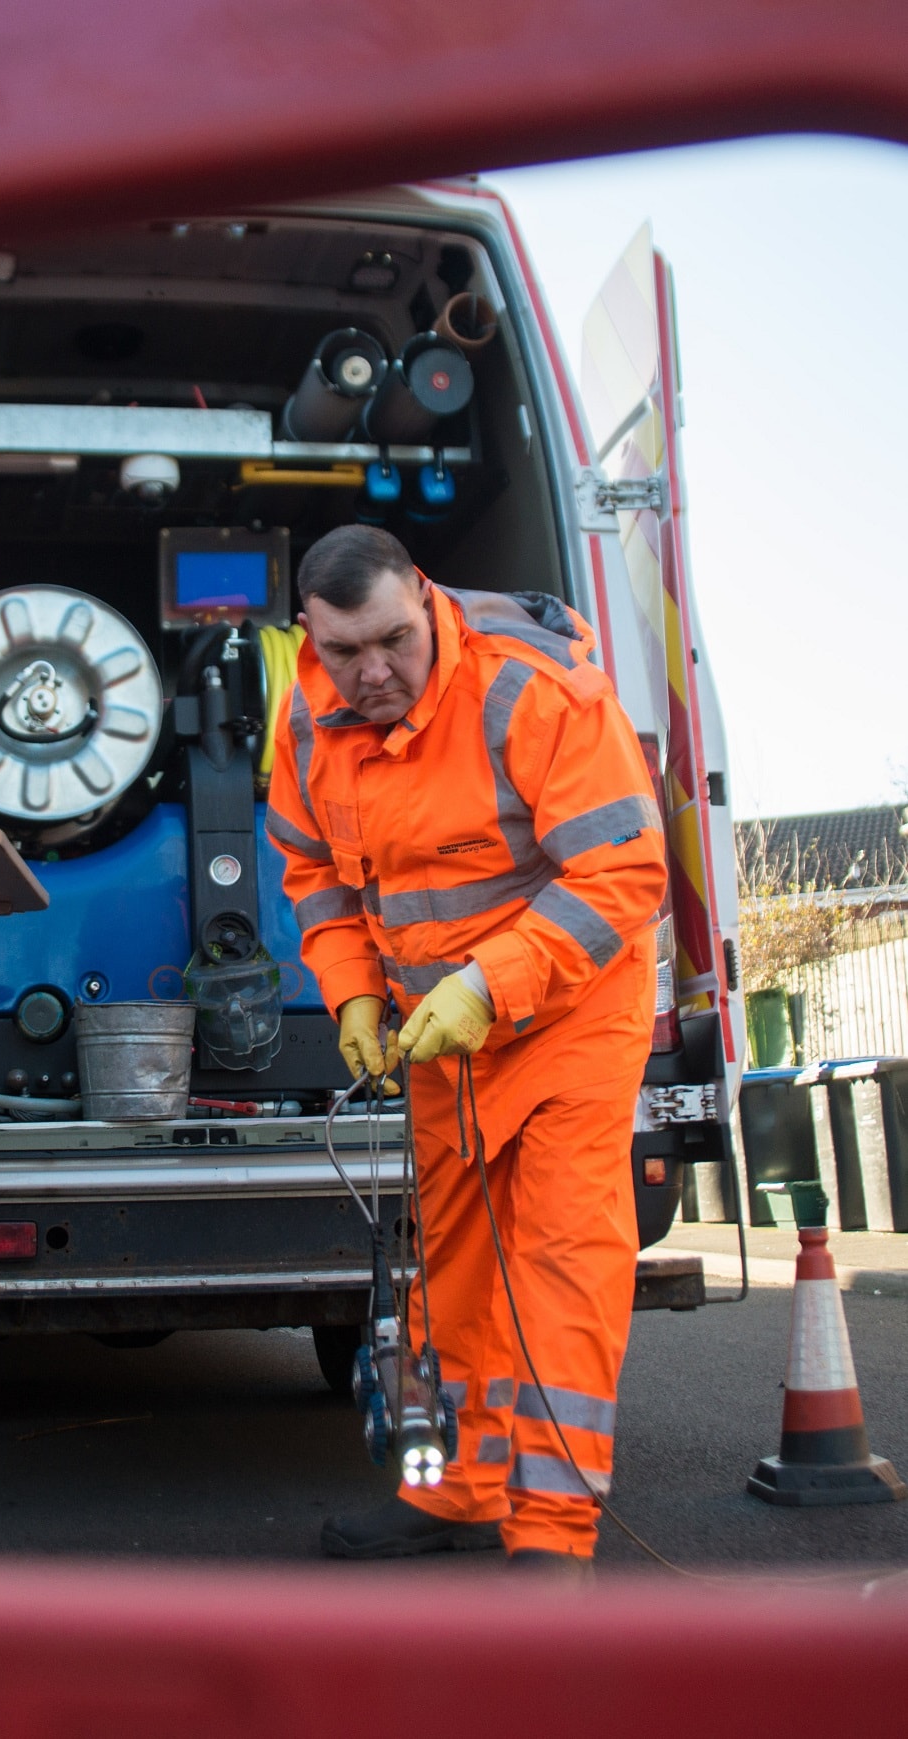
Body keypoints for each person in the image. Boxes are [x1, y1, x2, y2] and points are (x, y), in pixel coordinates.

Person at [266, 525, 667, 1577]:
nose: (373, 672)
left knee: (555, 1271)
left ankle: (549, 1537)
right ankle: (456, 1489)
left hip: (568, 1020)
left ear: (425, 599)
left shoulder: (529, 688)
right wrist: (351, 991)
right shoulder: (306, 715)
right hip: (439, 1039)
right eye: (345, 651)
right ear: (307, 637)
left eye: (393, 640)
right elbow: (313, 872)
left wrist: (488, 983)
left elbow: (620, 875)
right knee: (448, 1278)